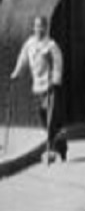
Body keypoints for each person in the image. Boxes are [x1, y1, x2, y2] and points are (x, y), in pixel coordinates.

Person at [9, 14, 66, 162]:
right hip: (37, 87)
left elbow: (58, 63)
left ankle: (51, 149)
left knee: (50, 118)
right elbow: (23, 58)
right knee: (42, 116)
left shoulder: (51, 46)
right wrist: (16, 72)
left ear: (46, 28)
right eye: (36, 26)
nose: (39, 29)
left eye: (42, 26)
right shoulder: (30, 44)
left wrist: (55, 80)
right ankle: (61, 142)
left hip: (49, 87)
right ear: (33, 28)